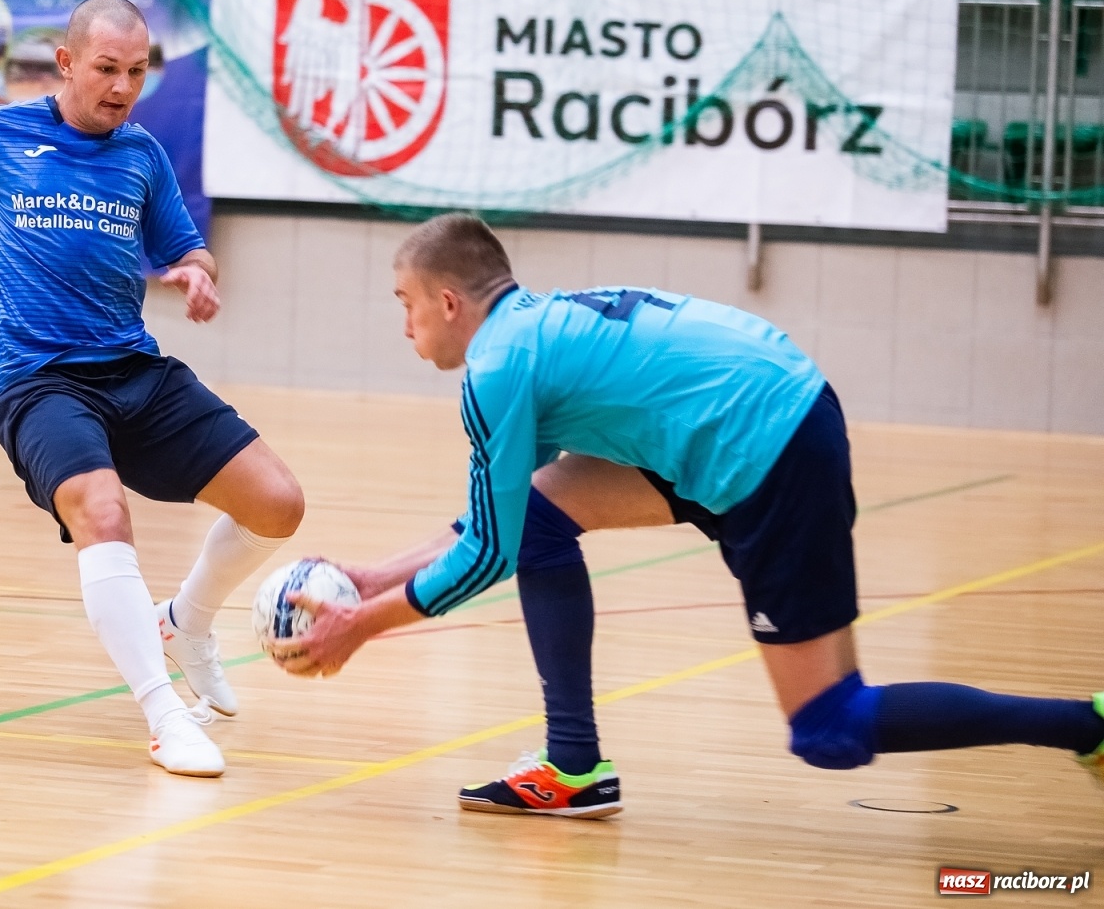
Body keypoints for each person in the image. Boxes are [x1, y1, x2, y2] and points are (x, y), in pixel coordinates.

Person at [278, 212, 1104, 816]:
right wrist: (372, 576)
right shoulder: (530, 333)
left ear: (450, 301)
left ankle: (1085, 725)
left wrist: (363, 626)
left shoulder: (495, 369)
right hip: (758, 414)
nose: (404, 323)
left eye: (405, 302)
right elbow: (490, 526)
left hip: (767, 443)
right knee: (536, 519)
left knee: (829, 725)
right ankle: (572, 767)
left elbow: (486, 558)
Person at [0, 0, 305, 779]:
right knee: (101, 510)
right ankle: (164, 717)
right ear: (65, 64)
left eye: (135, 72)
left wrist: (194, 273)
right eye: (106, 69)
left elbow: (190, 250)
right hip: (37, 381)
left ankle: (186, 621)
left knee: (278, 503)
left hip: (133, 369)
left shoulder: (143, 155)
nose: (122, 86)